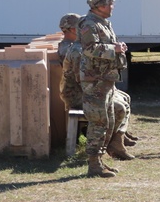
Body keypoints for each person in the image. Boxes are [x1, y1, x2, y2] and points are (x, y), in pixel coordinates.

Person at [58, 12, 139, 148]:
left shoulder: (76, 45)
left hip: (84, 91)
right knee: (119, 107)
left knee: (124, 98)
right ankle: (112, 142)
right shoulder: (75, 49)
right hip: (79, 94)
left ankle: (119, 136)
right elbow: (83, 79)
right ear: (73, 29)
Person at [77, 0, 135, 178]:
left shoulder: (103, 23)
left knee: (108, 120)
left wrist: (116, 48)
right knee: (99, 122)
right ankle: (93, 165)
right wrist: (114, 48)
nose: (112, 6)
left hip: (105, 80)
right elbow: (89, 49)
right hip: (95, 81)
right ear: (98, 5)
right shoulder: (89, 24)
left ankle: (100, 160)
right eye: (109, 3)